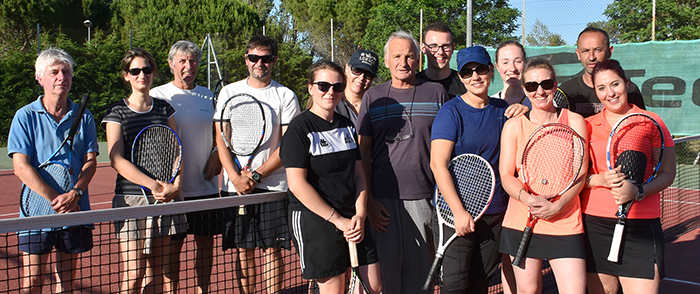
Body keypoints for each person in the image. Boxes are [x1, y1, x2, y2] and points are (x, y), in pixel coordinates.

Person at [356, 30, 449, 294]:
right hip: (382, 202)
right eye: (396, 56)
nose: (403, 62)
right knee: (387, 279)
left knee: (421, 280)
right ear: (386, 61)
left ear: (418, 61)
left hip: (426, 199)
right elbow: (363, 153)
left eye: (409, 56)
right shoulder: (373, 97)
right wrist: (369, 200)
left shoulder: (436, 92)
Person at [429, 46, 528, 294]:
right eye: (467, 72)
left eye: (480, 69)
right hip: (455, 214)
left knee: (480, 284)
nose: (475, 76)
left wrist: (526, 112)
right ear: (461, 77)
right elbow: (437, 164)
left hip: (494, 213)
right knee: (454, 287)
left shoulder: (503, 109)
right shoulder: (450, 111)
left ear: (491, 71)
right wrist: (459, 211)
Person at [281, 60, 382, 294]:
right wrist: (338, 220)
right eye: (323, 86)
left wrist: (360, 214)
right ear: (310, 88)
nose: (331, 92)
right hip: (316, 219)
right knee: (334, 289)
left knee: (373, 286)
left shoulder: (346, 125)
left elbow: (359, 175)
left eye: (337, 87)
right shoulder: (299, 128)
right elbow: (297, 184)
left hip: (352, 218)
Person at [214, 35, 301, 294]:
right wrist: (235, 177)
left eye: (265, 58)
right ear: (246, 59)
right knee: (244, 251)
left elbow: (287, 146)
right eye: (254, 58)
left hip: (273, 188)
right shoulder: (229, 92)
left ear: (274, 61)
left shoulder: (285, 95)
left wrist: (255, 176)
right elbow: (221, 138)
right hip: (236, 188)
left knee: (272, 250)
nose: (259, 63)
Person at [8, 48, 99, 293]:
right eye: (55, 72)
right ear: (40, 78)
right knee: (33, 282)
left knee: (67, 284)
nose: (62, 77)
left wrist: (75, 194)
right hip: (36, 215)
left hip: (75, 212)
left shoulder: (84, 115)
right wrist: (58, 200)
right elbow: (21, 166)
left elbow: (90, 161)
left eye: (66, 72)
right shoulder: (24, 116)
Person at [582, 59, 675, 294]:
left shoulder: (652, 122)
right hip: (595, 225)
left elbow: (667, 173)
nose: (610, 93)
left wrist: (639, 191)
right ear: (595, 91)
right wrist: (599, 180)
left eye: (615, 84)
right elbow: (577, 178)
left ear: (626, 83)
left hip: (641, 226)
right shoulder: (586, 126)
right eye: (602, 88)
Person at [499, 58, 588, 294]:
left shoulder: (575, 121)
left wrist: (558, 205)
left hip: (566, 222)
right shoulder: (514, 126)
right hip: (522, 221)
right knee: (528, 291)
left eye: (546, 84)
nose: (539, 91)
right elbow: (506, 175)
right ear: (525, 90)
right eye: (531, 86)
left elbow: (580, 173)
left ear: (555, 85)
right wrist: (528, 200)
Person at [102, 48, 186, 294]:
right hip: (130, 200)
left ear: (154, 73)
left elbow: (176, 149)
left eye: (146, 70)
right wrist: (153, 184)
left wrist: (176, 185)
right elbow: (116, 159)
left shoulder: (163, 108)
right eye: (135, 71)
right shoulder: (117, 111)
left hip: (164, 199)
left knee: (157, 271)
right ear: (126, 75)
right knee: (134, 273)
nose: (142, 75)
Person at [150, 40, 222, 294]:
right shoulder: (157, 95)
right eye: (182, 61)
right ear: (171, 64)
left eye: (192, 61)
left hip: (206, 187)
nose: (188, 66)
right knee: (172, 246)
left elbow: (221, 132)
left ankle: (204, 290)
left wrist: (216, 153)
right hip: (173, 191)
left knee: (205, 245)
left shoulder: (208, 95)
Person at [559, 27, 645, 117]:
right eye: (585, 51)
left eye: (597, 50)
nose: (591, 57)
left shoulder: (629, 90)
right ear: (578, 54)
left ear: (609, 51)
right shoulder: (566, 91)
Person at [416, 22, 467, 97]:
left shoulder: (465, 84)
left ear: (453, 48)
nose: (440, 52)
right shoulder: (413, 84)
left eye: (445, 46)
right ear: (423, 48)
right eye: (433, 46)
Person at [334, 49, 379, 124]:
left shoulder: (378, 108)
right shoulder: (332, 103)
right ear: (347, 69)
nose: (361, 78)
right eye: (357, 70)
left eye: (368, 74)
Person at [491, 40, 531, 108]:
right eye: (505, 62)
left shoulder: (539, 101)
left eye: (518, 61)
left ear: (526, 63)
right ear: (497, 66)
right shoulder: (490, 105)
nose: (512, 68)